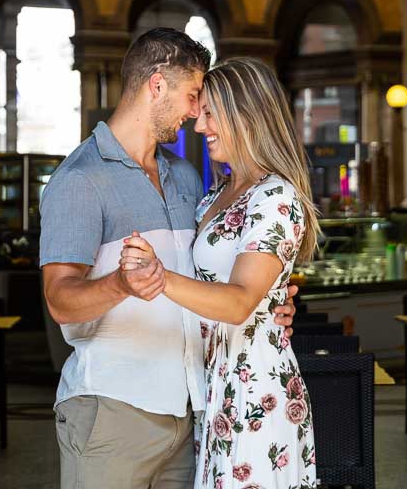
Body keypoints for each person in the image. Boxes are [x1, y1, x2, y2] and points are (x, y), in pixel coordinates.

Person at [39, 29, 300, 489]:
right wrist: (121, 284)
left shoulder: (189, 179)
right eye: (193, 96)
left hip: (193, 413)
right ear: (156, 86)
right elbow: (60, 300)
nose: (197, 114)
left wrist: (269, 301)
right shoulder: (79, 179)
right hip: (114, 411)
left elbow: (225, 269)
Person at [122, 57, 320, 489]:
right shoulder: (219, 192)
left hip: (255, 390)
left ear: (246, 116)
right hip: (215, 384)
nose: (199, 126)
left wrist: (160, 276)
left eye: (211, 113)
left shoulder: (276, 196)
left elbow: (239, 302)